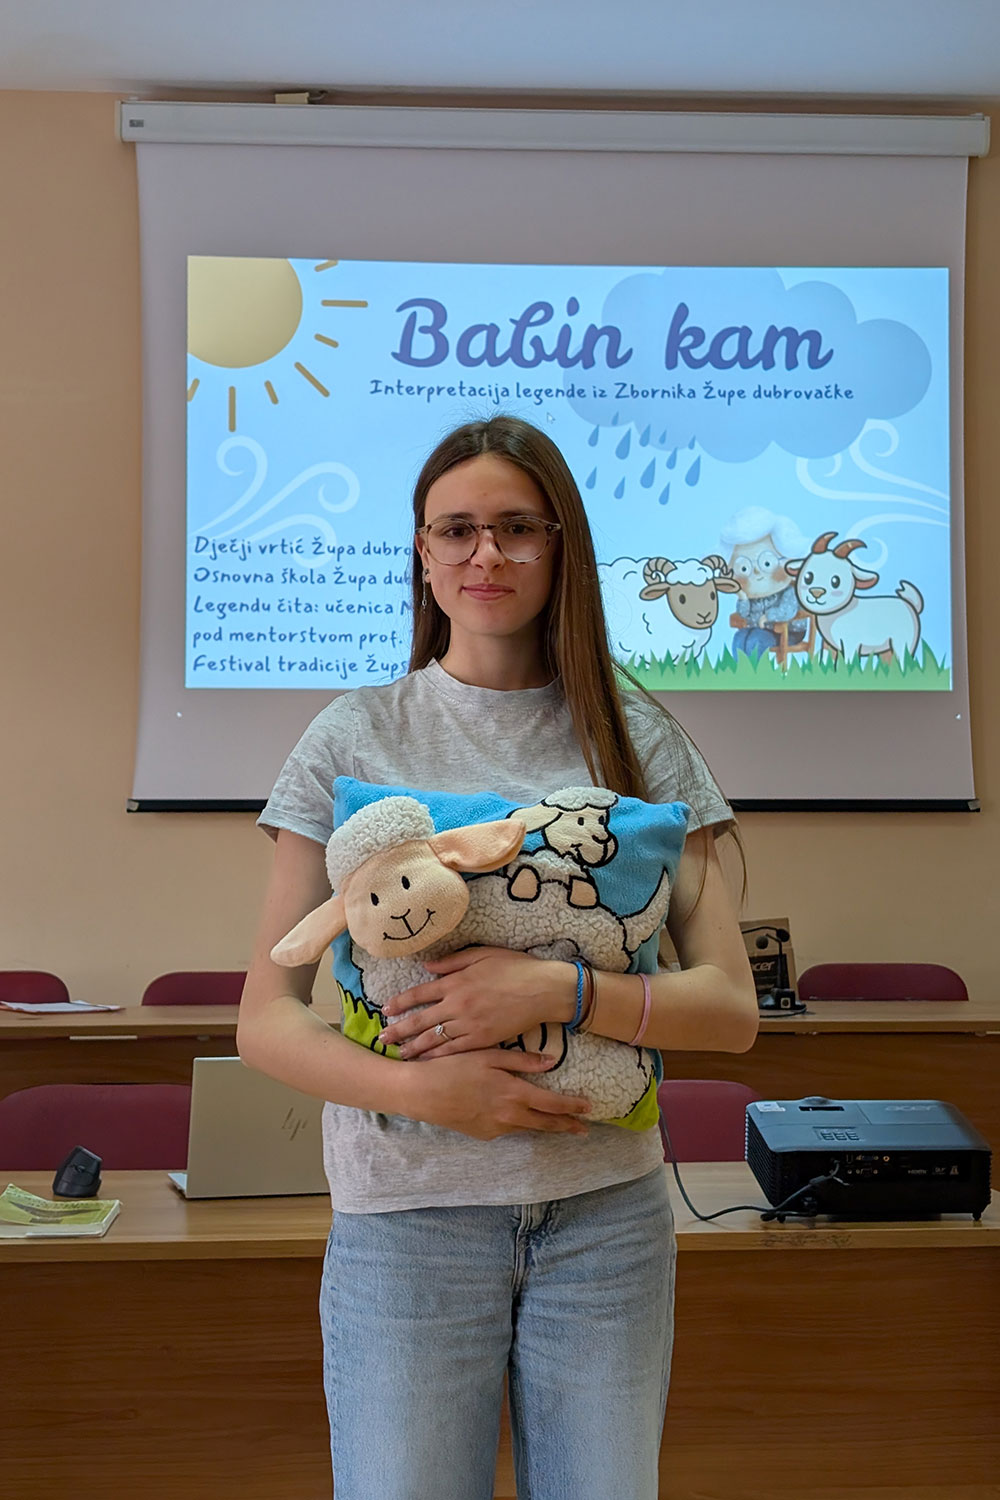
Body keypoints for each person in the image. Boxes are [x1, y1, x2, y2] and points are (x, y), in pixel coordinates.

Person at [237, 415, 758, 1500]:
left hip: (604, 1223)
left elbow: (729, 1010)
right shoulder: (350, 737)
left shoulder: (641, 736)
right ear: (421, 552)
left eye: (518, 528)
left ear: (561, 547)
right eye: (457, 529)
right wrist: (426, 1093)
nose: (487, 554)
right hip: (406, 1227)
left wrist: (559, 987)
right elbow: (267, 1019)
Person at [720, 505, 812, 661]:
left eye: (766, 563)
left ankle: (758, 673)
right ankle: (741, 672)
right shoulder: (753, 593)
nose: (756, 572)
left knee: (756, 640)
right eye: (745, 567)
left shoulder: (789, 590)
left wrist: (768, 616)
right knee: (739, 638)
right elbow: (743, 614)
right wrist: (743, 598)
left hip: (786, 631)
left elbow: (787, 611)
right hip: (757, 628)